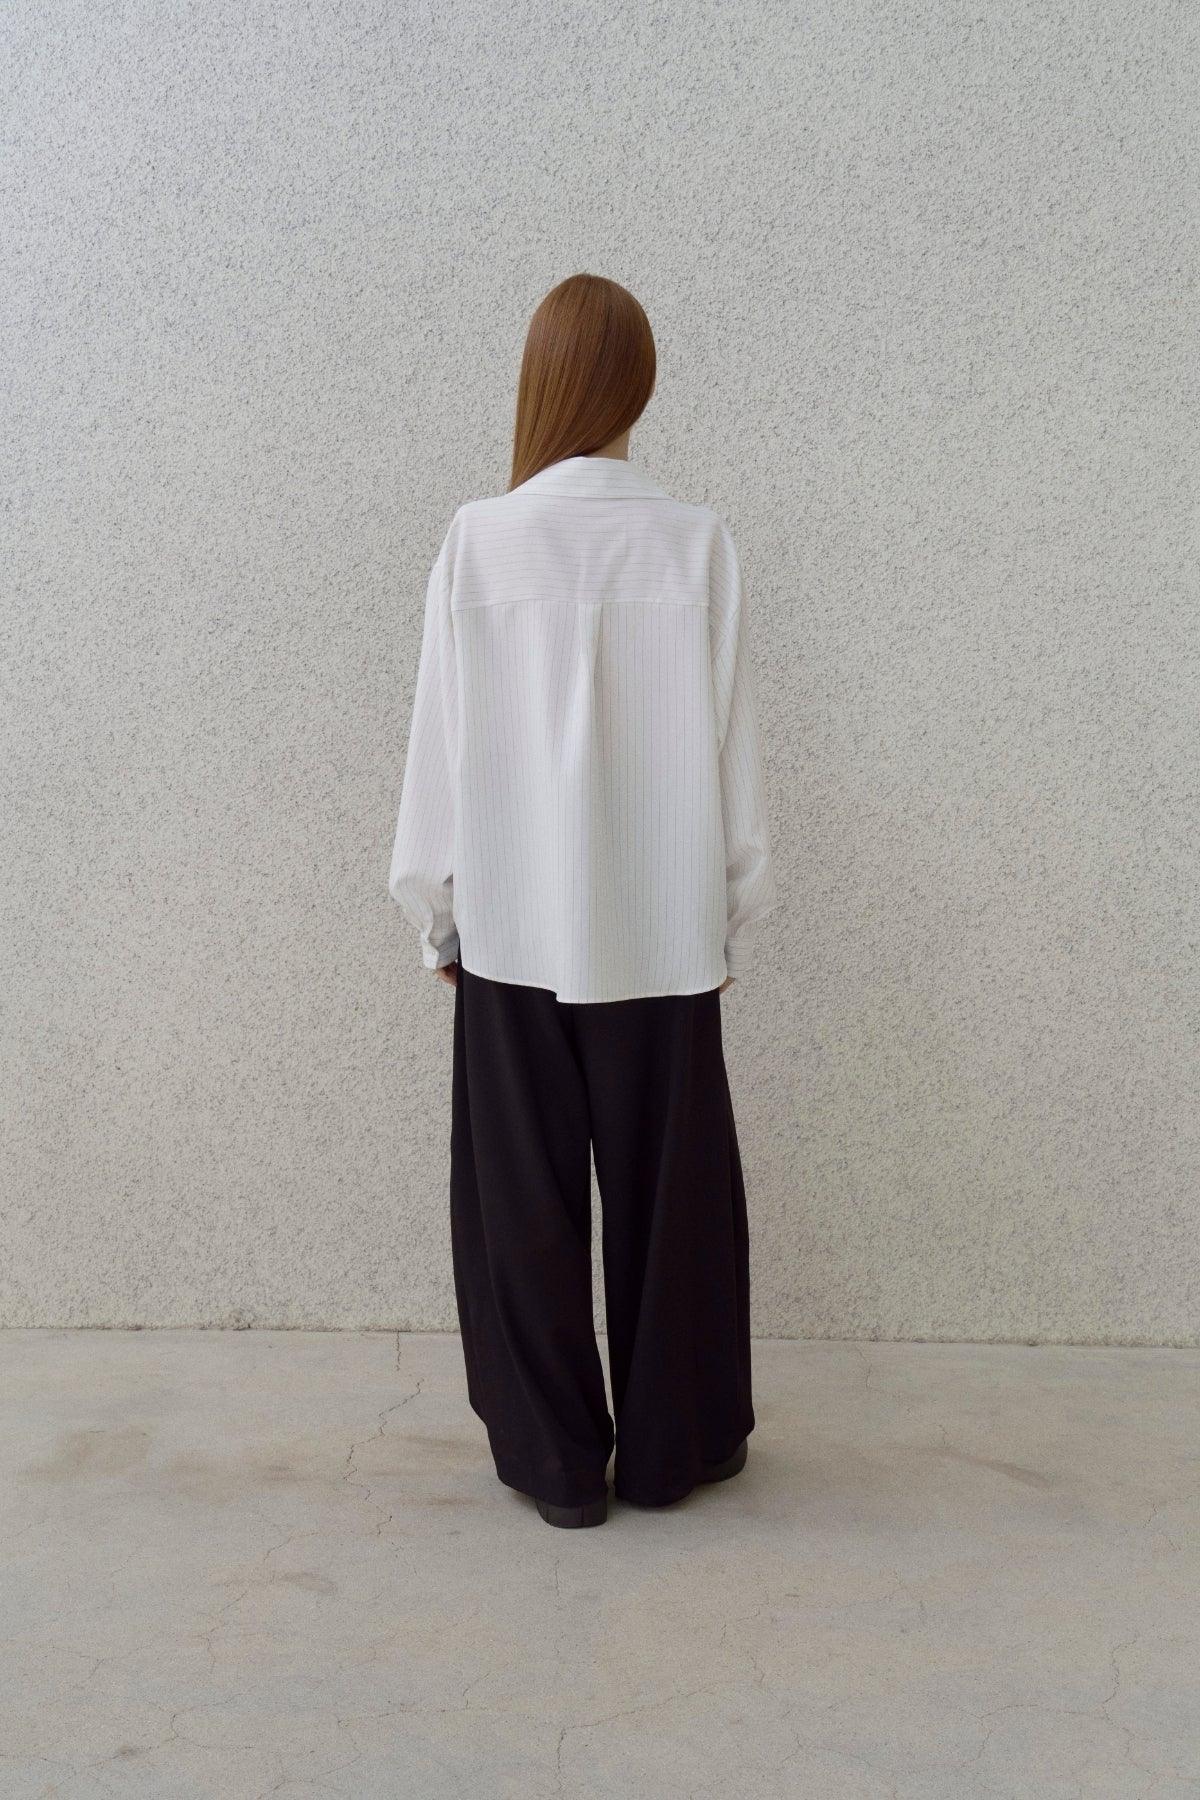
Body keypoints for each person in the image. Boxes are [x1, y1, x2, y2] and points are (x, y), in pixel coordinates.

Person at [388, 273, 777, 1527]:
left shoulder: (479, 538)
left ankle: (558, 1466)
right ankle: (673, 1452)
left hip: (511, 932)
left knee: (525, 1207)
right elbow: (733, 760)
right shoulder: (696, 540)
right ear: (640, 382)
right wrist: (730, 915)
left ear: (540, 383)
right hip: (660, 932)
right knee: (679, 1214)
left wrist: (437, 912)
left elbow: (439, 751)